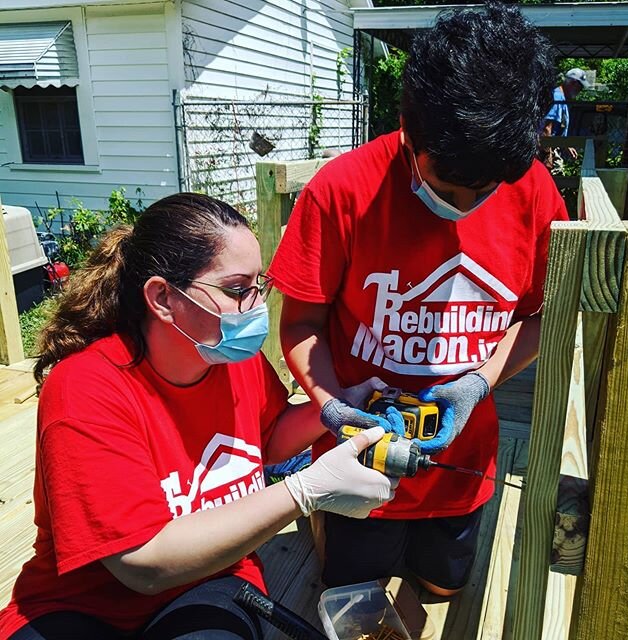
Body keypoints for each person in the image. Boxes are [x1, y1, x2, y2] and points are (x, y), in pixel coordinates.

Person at [268, 3, 569, 597]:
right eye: (445, 187)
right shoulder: (342, 191)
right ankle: (325, 525)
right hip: (360, 453)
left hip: (463, 458)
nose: (463, 204)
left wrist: (478, 382)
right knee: (352, 592)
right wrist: (332, 406)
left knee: (441, 589)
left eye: (483, 192)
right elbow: (301, 322)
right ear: (408, 129)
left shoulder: (532, 190)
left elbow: (540, 317)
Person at [0, 193, 399, 640]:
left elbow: (265, 440)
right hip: (81, 603)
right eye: (235, 290)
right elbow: (142, 565)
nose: (256, 306)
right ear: (162, 297)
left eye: (258, 286)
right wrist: (305, 492)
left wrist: (336, 409)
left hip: (212, 578)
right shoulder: (87, 387)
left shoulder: (235, 362)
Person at [540, 67, 590, 173]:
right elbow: (546, 128)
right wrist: (547, 155)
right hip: (546, 148)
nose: (579, 91)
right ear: (573, 83)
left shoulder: (563, 99)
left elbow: (559, 128)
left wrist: (566, 144)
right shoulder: (557, 98)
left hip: (552, 146)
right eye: (580, 87)